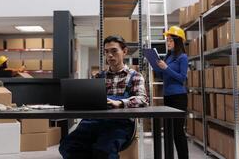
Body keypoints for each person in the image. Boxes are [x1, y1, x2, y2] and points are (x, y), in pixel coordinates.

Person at [59, 35, 147, 159]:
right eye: (106, 52)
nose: (110, 55)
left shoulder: (135, 76)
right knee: (67, 146)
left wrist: (120, 103)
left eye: (114, 51)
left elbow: (142, 99)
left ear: (125, 51)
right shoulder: (98, 77)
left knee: (104, 151)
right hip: (92, 122)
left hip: (119, 124)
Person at [155, 26, 189, 159]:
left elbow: (182, 78)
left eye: (170, 40)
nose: (167, 43)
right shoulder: (168, 57)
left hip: (179, 97)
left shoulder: (183, 57)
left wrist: (166, 68)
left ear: (178, 41)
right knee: (169, 131)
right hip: (168, 97)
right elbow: (163, 77)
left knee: (178, 132)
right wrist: (157, 67)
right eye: (167, 40)